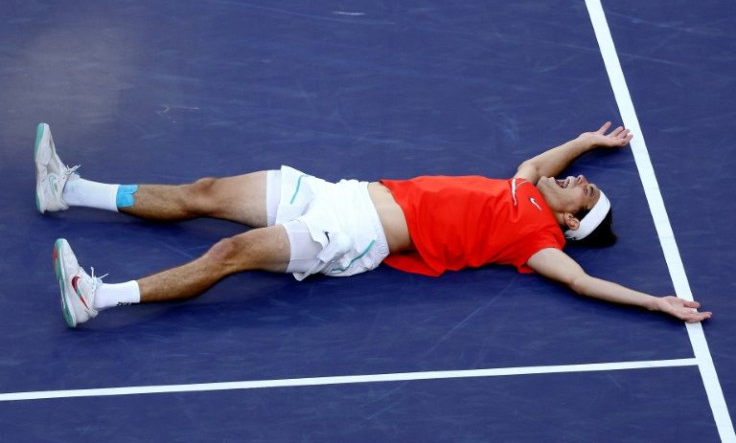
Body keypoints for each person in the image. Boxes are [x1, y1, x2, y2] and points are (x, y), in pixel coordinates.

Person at [34, 122, 711, 328]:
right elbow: (540, 159)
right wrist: (588, 144)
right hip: (342, 194)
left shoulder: (533, 242)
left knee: (231, 252)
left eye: (585, 195)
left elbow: (585, 283)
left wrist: (653, 301)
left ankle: (98, 299)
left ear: (570, 224)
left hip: (354, 236)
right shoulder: (526, 188)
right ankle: (69, 190)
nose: (581, 182)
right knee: (204, 193)